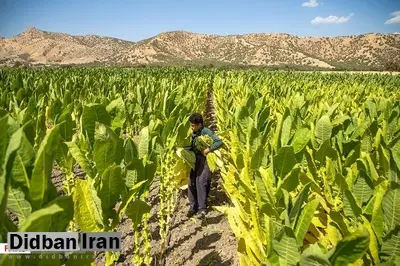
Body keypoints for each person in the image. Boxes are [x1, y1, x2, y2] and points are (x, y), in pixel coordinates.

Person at [185, 113, 223, 218]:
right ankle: (193, 206)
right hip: (194, 159)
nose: (191, 127)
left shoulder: (206, 132)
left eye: (193, 125)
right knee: (191, 182)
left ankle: (202, 208)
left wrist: (208, 149)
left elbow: (219, 141)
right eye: (191, 125)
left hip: (204, 160)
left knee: (201, 182)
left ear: (199, 125)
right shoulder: (193, 133)